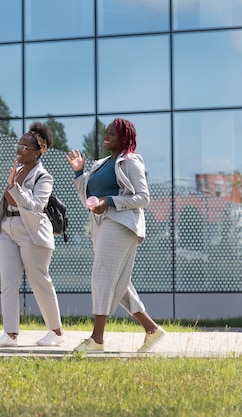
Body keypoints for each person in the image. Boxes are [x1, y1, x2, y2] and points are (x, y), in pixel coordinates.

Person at [66, 117, 165, 353]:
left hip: (121, 223)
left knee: (102, 275)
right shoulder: (100, 164)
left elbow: (143, 197)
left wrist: (109, 201)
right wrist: (80, 173)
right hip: (102, 224)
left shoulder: (130, 162)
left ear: (124, 137)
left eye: (111, 133)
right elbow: (87, 201)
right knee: (119, 282)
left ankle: (96, 339)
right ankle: (152, 329)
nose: (106, 136)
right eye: (105, 132)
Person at [0, 122, 65, 347]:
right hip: (8, 228)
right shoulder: (18, 170)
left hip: (32, 232)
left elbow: (37, 206)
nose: (19, 150)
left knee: (39, 281)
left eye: (25, 147)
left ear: (39, 151)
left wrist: (15, 188)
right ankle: (10, 334)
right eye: (18, 145)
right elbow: (9, 200)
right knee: (8, 281)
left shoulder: (44, 177)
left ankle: (56, 333)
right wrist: (12, 187)